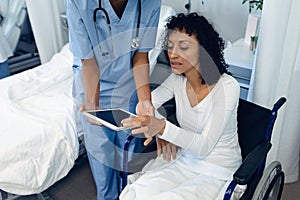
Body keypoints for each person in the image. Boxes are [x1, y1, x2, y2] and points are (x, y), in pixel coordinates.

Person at [120, 13, 242, 200]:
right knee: (139, 193)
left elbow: (204, 146)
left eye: (183, 47)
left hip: (217, 169)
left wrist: (162, 128)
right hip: (186, 160)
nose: (173, 54)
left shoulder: (227, 87)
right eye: (170, 47)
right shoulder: (177, 80)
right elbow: (146, 105)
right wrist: (159, 129)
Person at [64, 0, 161, 199]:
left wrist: (144, 100)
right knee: (102, 154)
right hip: (92, 84)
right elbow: (88, 60)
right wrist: (92, 102)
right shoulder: (79, 3)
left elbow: (141, 56)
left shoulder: (150, 2)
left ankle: (127, 193)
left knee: (129, 150)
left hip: (128, 82)